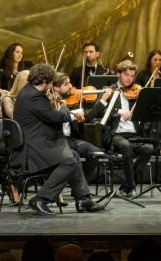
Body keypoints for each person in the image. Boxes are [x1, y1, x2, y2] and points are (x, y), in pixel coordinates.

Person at [13, 62, 102, 215]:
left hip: (37, 142)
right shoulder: (35, 97)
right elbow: (56, 117)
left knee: (73, 156)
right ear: (43, 82)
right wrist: (70, 113)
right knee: (69, 161)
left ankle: (83, 199)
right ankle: (41, 199)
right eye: (50, 83)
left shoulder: (28, 91)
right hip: (32, 149)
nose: (51, 87)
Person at [87, 59, 156, 198]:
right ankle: (131, 187)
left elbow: (144, 116)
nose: (129, 79)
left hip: (133, 135)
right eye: (126, 75)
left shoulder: (136, 92)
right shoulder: (109, 90)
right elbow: (97, 112)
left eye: (132, 76)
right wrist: (117, 111)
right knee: (125, 146)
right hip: (114, 135)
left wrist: (140, 112)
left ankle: (126, 185)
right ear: (118, 74)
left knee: (149, 148)